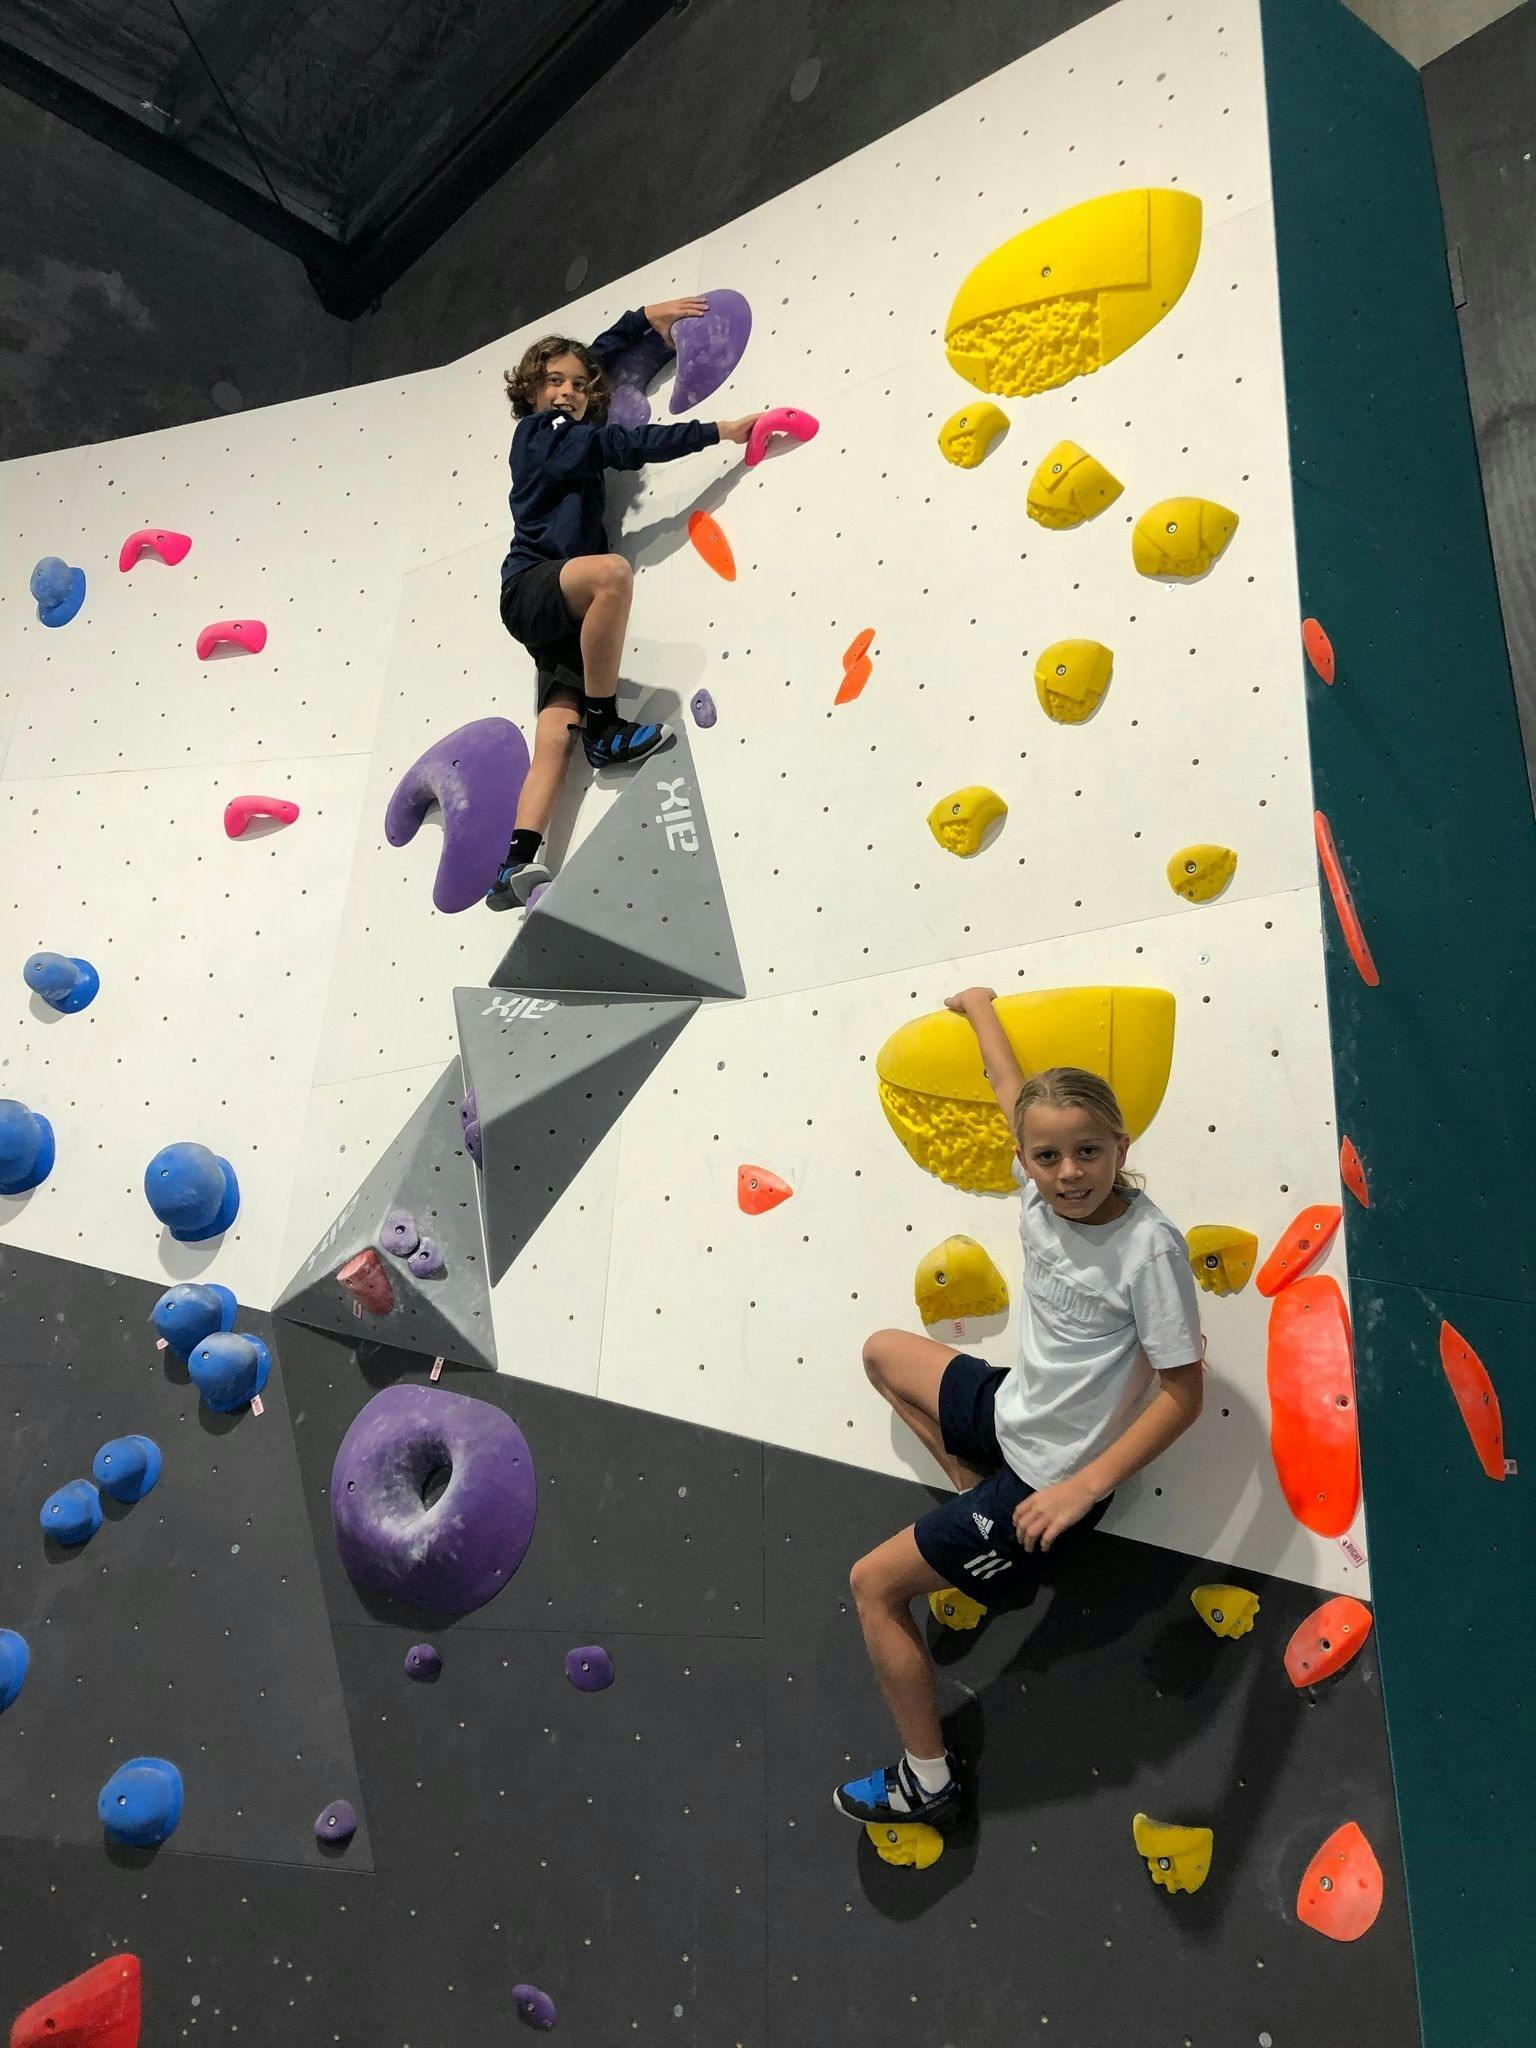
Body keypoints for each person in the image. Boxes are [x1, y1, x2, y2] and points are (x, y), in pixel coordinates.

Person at [835, 985, 1205, 1834]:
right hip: (1014, 1410)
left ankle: (927, 1780)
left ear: (1121, 1146)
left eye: (1088, 1152)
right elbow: (1010, 1089)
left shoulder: (1148, 1250)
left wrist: (1082, 1487)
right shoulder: (1036, 1186)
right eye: (1048, 1156)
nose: (1068, 1173)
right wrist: (979, 1010)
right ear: (1025, 1157)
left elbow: (1184, 1393)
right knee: (883, 1353)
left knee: (872, 1587)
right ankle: (981, 1510)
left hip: (1055, 1475)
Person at [486, 298, 761, 909]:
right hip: (533, 586)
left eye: (576, 386)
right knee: (612, 574)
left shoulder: (569, 421)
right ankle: (607, 727)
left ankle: (514, 866)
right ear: (530, 392)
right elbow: (626, 444)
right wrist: (720, 430)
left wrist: (641, 319)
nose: (566, 392)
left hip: (562, 611)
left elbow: (596, 361)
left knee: (555, 735)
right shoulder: (541, 434)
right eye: (552, 382)